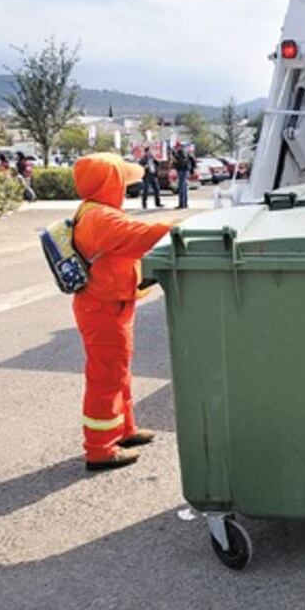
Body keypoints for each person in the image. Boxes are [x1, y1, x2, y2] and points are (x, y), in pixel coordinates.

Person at [71, 153, 172, 471]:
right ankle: (100, 449)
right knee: (106, 377)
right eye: (122, 180)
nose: (126, 187)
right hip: (103, 307)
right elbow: (145, 237)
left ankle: (124, 430)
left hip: (109, 303)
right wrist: (189, 227)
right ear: (109, 183)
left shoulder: (94, 210)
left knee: (118, 371)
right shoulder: (101, 218)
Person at [170, 141, 195, 209]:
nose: (176, 148)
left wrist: (174, 159)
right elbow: (192, 160)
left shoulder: (181, 153)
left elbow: (181, 162)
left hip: (182, 170)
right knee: (184, 187)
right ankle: (184, 203)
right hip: (184, 170)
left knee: (182, 187)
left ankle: (182, 204)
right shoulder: (185, 152)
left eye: (176, 147)